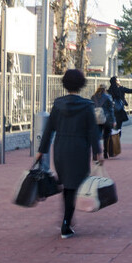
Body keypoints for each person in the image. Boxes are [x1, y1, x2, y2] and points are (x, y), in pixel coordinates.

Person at [36, 69, 101, 239]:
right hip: (79, 148)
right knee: (73, 185)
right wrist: (97, 153)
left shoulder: (58, 105)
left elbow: (49, 129)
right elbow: (92, 131)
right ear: (81, 84)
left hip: (61, 148)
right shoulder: (87, 106)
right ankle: (66, 222)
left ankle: (67, 219)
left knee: (68, 183)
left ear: (64, 84)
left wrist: (41, 150)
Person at [91, 84, 115, 158]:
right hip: (106, 119)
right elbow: (111, 110)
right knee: (106, 136)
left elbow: (91, 108)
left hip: (96, 119)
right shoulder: (108, 97)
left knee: (97, 136)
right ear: (105, 89)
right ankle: (105, 153)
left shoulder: (93, 97)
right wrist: (113, 120)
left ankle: (95, 154)